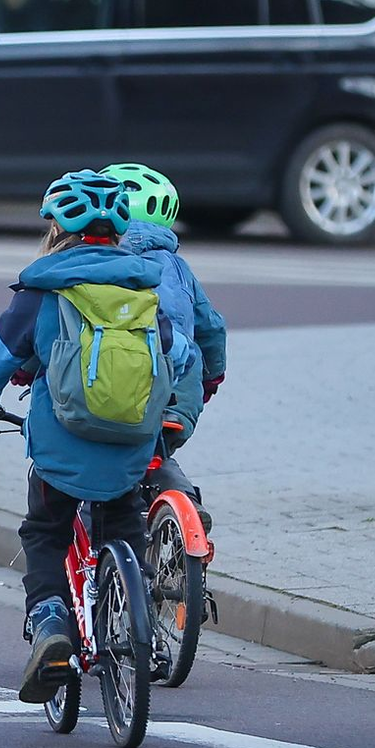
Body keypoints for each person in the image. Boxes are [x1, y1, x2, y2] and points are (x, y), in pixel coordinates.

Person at [0, 170, 172, 704]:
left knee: (45, 532)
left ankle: (51, 628)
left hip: (59, 450)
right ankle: (130, 621)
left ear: (55, 230)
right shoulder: (145, 289)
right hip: (131, 447)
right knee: (123, 525)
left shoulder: (43, 292)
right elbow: (177, 359)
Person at [100, 163, 226, 522]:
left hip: (115, 388)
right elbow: (213, 329)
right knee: (157, 451)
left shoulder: (94, 261)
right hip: (177, 391)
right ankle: (184, 502)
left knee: (105, 455)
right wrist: (211, 377)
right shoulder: (178, 267)